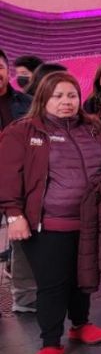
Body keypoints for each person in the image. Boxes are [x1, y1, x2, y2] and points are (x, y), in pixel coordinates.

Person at [0, 72, 101, 354]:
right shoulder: (23, 131)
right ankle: (50, 343)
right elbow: (5, 178)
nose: (66, 102)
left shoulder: (94, 128)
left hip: (90, 221)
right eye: (58, 96)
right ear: (43, 98)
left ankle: (80, 325)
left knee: (83, 278)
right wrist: (14, 215)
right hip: (47, 225)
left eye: (71, 95)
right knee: (53, 285)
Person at [0, 49, 38, 315]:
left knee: (23, 239)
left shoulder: (27, 102)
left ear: (7, 70)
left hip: (20, 180)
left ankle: (24, 299)